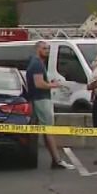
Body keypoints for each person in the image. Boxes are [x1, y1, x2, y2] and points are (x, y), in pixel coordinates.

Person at [26, 41, 74, 169]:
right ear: (37, 49)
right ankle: (57, 160)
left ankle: (55, 159)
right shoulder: (37, 64)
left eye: (48, 48)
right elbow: (39, 84)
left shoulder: (37, 63)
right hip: (41, 99)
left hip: (38, 99)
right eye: (44, 48)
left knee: (45, 130)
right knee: (49, 129)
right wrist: (55, 85)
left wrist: (49, 83)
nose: (47, 50)